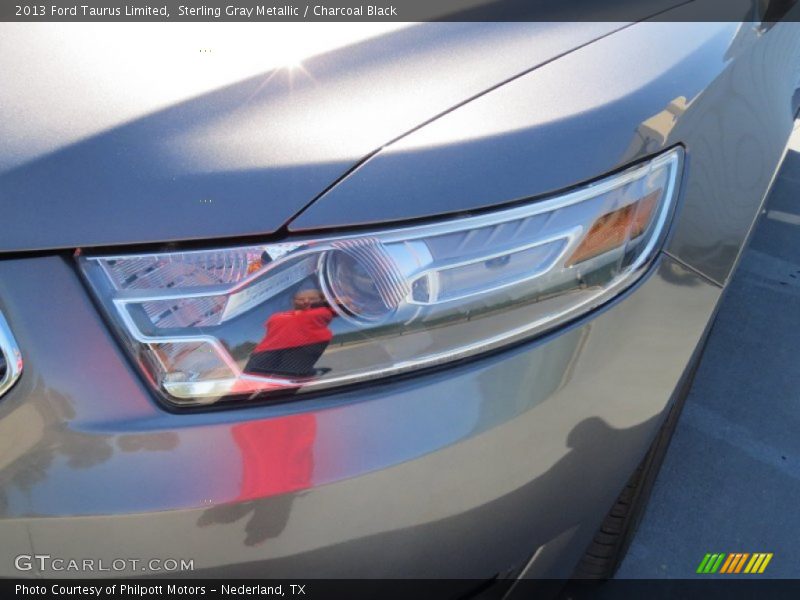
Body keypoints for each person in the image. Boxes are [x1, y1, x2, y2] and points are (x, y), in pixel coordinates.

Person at [244, 289, 335, 377]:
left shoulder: (325, 310)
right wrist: (257, 349)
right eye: (300, 299)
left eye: (313, 299)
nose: (306, 301)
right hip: (265, 351)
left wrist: (330, 301)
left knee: (284, 381)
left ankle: (306, 373)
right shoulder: (277, 315)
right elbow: (268, 334)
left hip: (300, 349)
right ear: (293, 301)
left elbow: (343, 303)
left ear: (322, 300)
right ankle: (308, 372)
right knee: (247, 382)